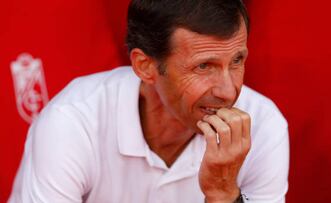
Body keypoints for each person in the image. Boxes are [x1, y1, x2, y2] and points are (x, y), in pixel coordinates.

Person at [8, 0, 289, 202]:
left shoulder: (263, 125)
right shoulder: (72, 122)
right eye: (204, 67)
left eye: (237, 60)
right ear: (145, 66)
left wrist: (223, 194)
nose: (229, 91)